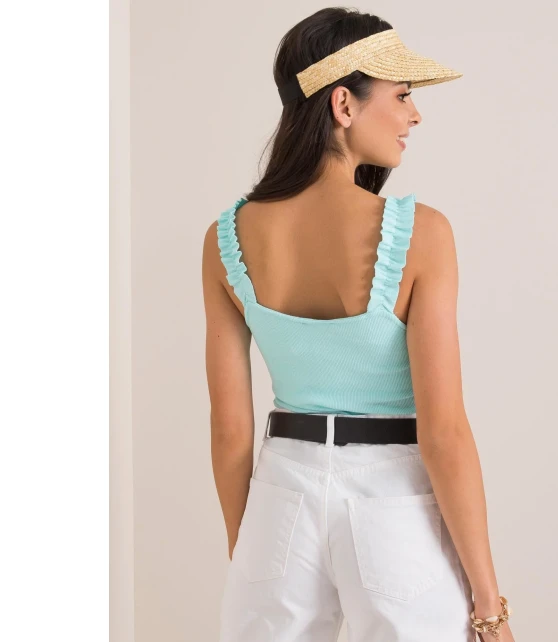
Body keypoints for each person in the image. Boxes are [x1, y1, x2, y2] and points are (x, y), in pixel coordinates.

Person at [201, 8, 515, 642]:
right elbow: (444, 433)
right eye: (401, 96)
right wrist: (490, 607)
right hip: (392, 499)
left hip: (280, 495)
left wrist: (250, 549)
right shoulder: (421, 234)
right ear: (343, 104)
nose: (414, 115)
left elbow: (231, 430)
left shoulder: (225, 238)